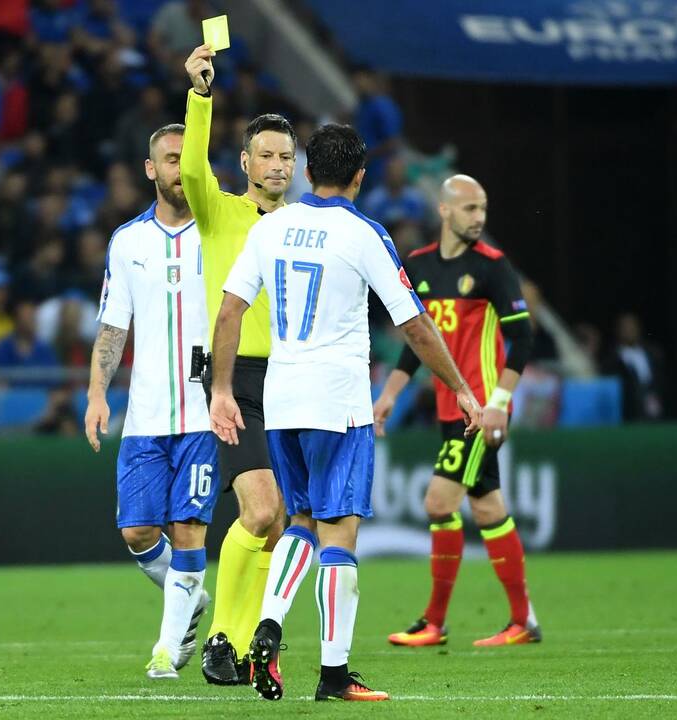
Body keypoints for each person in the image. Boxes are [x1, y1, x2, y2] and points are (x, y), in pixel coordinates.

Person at [209, 123, 481, 702]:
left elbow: (230, 312)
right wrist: (457, 385)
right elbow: (413, 322)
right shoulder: (364, 234)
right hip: (338, 400)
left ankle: (270, 623)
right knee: (340, 532)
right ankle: (334, 675)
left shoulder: (272, 226)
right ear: (360, 176)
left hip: (280, 400)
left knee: (300, 521)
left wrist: (223, 389)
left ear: (308, 171)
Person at [374, 174, 542, 648]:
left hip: (480, 411)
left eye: (483, 208)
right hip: (452, 406)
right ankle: (522, 620)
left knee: (438, 502)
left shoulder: (492, 267)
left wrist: (500, 402)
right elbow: (419, 342)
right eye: (470, 209)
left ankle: (434, 620)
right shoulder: (421, 266)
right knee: (488, 509)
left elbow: (524, 337)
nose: (480, 218)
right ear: (444, 211)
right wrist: (389, 394)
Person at [84, 123, 220, 680]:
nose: (178, 170)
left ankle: (166, 650)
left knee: (189, 529)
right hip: (144, 418)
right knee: (138, 532)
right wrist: (96, 393)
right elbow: (113, 327)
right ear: (151, 169)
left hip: (204, 415)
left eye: (186, 160)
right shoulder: (127, 241)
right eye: (169, 160)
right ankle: (190, 598)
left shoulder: (219, 232)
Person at [181, 44, 294, 685]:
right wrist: (200, 96)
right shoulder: (220, 209)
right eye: (267, 156)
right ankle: (222, 640)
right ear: (246, 162)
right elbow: (192, 170)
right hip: (235, 380)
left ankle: (248, 641)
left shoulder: (309, 224)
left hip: (294, 380)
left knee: (278, 525)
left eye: (286, 156)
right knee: (258, 511)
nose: (277, 165)